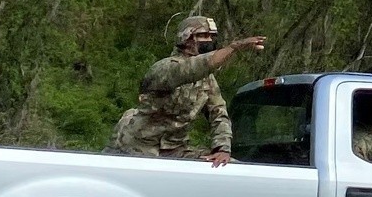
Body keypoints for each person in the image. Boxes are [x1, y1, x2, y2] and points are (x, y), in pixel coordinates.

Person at [107, 15, 264, 166]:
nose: (209, 40)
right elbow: (192, 69)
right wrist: (233, 48)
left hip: (175, 149)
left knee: (229, 167)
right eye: (203, 35)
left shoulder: (208, 80)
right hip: (138, 146)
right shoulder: (165, 68)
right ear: (187, 39)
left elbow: (219, 114)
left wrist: (222, 149)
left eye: (211, 36)